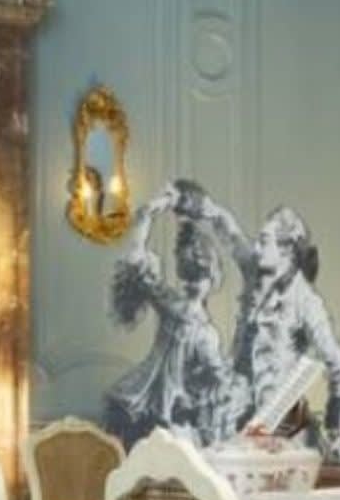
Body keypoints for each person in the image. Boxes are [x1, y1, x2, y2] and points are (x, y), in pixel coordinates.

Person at [102, 182, 243, 443]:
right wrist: (147, 214)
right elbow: (137, 260)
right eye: (186, 274)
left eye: (198, 275)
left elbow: (216, 376)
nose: (191, 282)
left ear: (211, 280)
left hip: (174, 408)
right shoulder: (172, 305)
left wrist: (230, 388)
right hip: (144, 398)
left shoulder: (206, 334)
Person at [216, 204, 340, 455]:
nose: (257, 248)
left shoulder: (306, 301)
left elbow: (339, 366)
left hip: (283, 427)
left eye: (264, 241)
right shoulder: (256, 282)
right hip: (242, 422)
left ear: (287, 250)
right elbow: (231, 235)